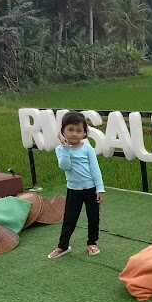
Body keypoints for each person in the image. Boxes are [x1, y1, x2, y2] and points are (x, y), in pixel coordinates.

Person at [48, 110, 105, 259]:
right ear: (63, 132)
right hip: (74, 191)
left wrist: (100, 188)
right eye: (70, 130)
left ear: (84, 133)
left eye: (79, 130)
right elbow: (65, 166)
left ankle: (92, 243)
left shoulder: (87, 148)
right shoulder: (60, 149)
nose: (74, 133)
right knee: (69, 219)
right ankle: (63, 246)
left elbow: (95, 169)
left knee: (93, 218)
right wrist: (66, 148)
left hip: (91, 190)